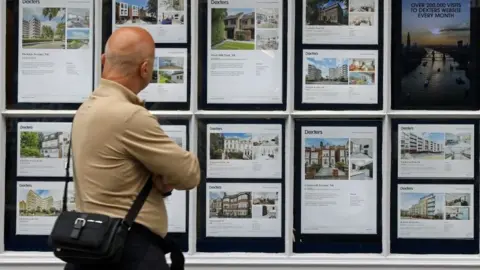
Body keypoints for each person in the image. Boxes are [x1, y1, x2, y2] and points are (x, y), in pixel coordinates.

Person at [65, 27, 200, 270]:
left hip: (88, 248)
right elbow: (189, 174)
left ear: (104, 61)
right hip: (127, 252)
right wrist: (161, 176)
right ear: (145, 69)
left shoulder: (86, 109)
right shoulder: (130, 116)